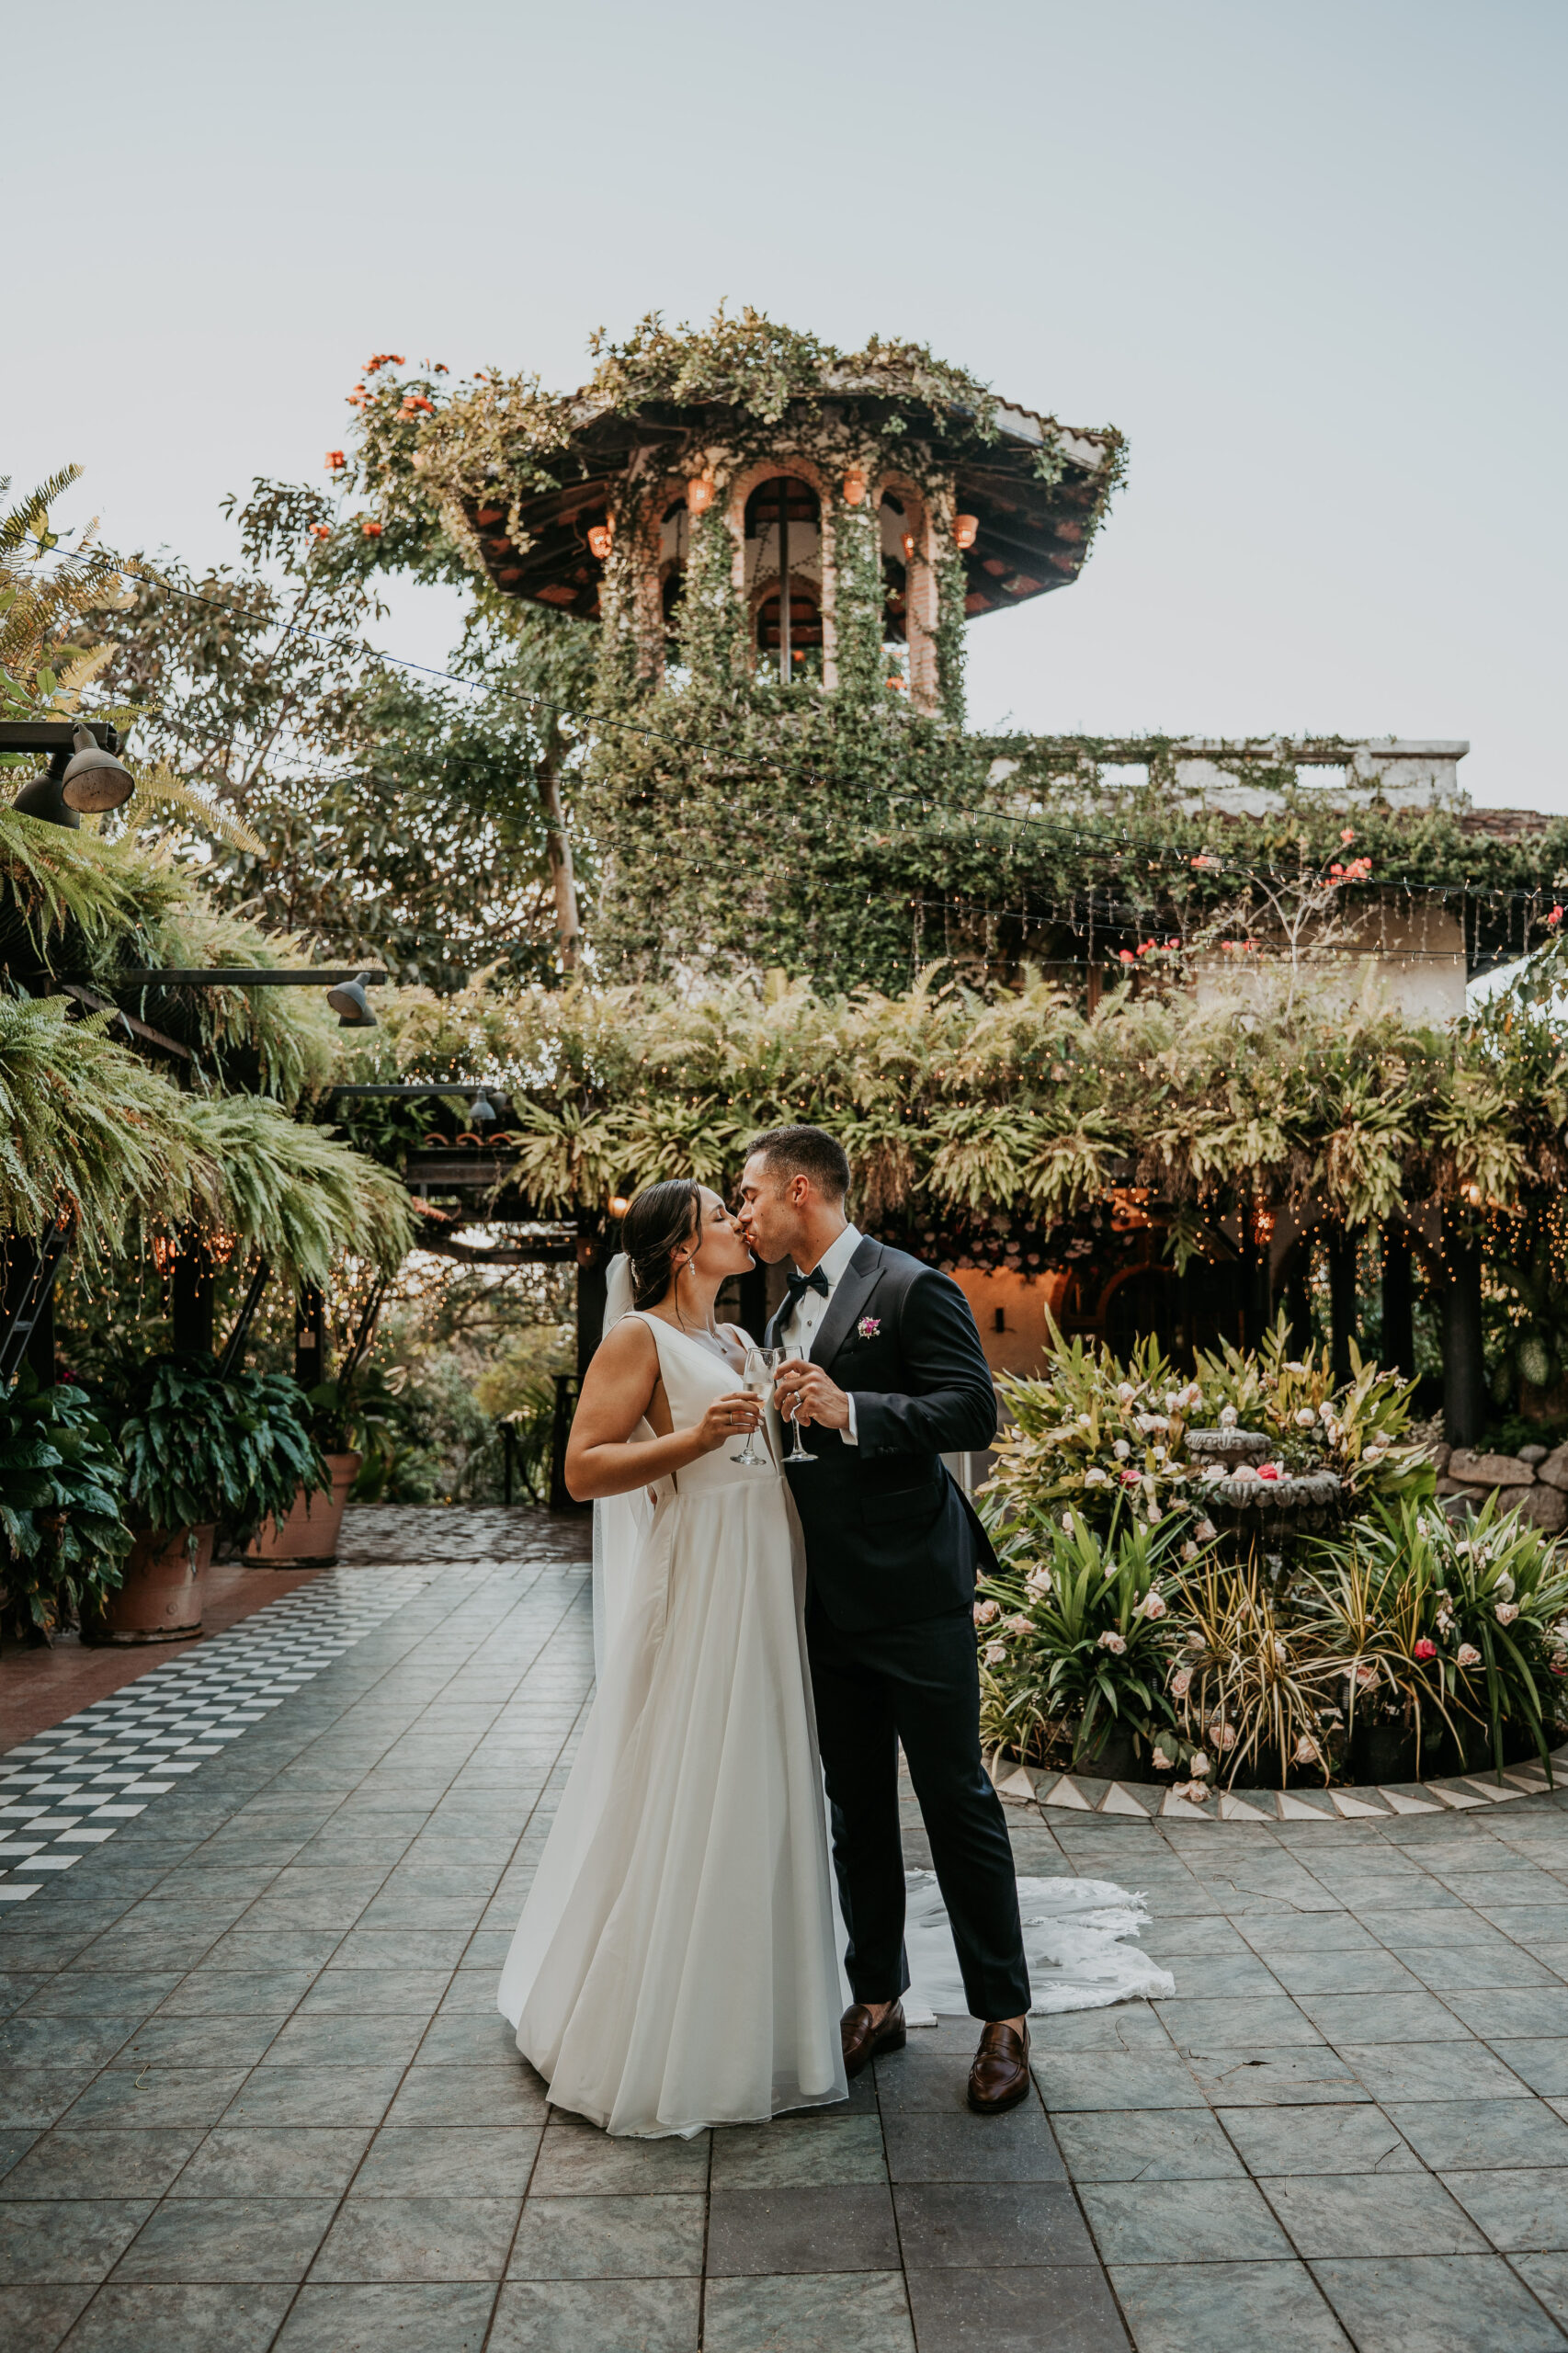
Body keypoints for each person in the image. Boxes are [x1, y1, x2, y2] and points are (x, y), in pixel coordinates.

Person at [495, 1179, 846, 2138]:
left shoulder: (737, 1342)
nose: (740, 1223)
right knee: (693, 1769)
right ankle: (658, 2020)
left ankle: (765, 2017)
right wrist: (693, 1438)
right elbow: (581, 1468)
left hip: (766, 1574)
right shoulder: (636, 1339)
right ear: (681, 1248)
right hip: (701, 1579)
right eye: (718, 1215)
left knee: (762, 1780)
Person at [739, 1124, 1033, 2114]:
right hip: (826, 1602)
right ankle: (878, 1997)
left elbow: (971, 1411)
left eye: (752, 1196)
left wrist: (851, 1408)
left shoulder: (910, 1287)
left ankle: (1004, 2019)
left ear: (799, 1189)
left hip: (916, 1594)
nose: (745, 1214)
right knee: (854, 1806)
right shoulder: (778, 1309)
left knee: (956, 1801)